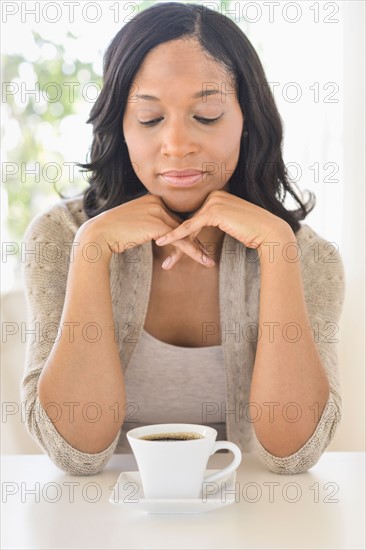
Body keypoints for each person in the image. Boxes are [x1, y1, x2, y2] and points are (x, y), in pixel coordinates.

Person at [21, 2, 345, 476]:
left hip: (252, 519)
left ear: (247, 120)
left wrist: (278, 251)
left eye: (207, 115)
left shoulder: (306, 255)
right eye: (150, 119)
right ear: (121, 128)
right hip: (98, 522)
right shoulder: (62, 238)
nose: (176, 144)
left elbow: (293, 454)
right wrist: (91, 252)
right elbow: (76, 453)